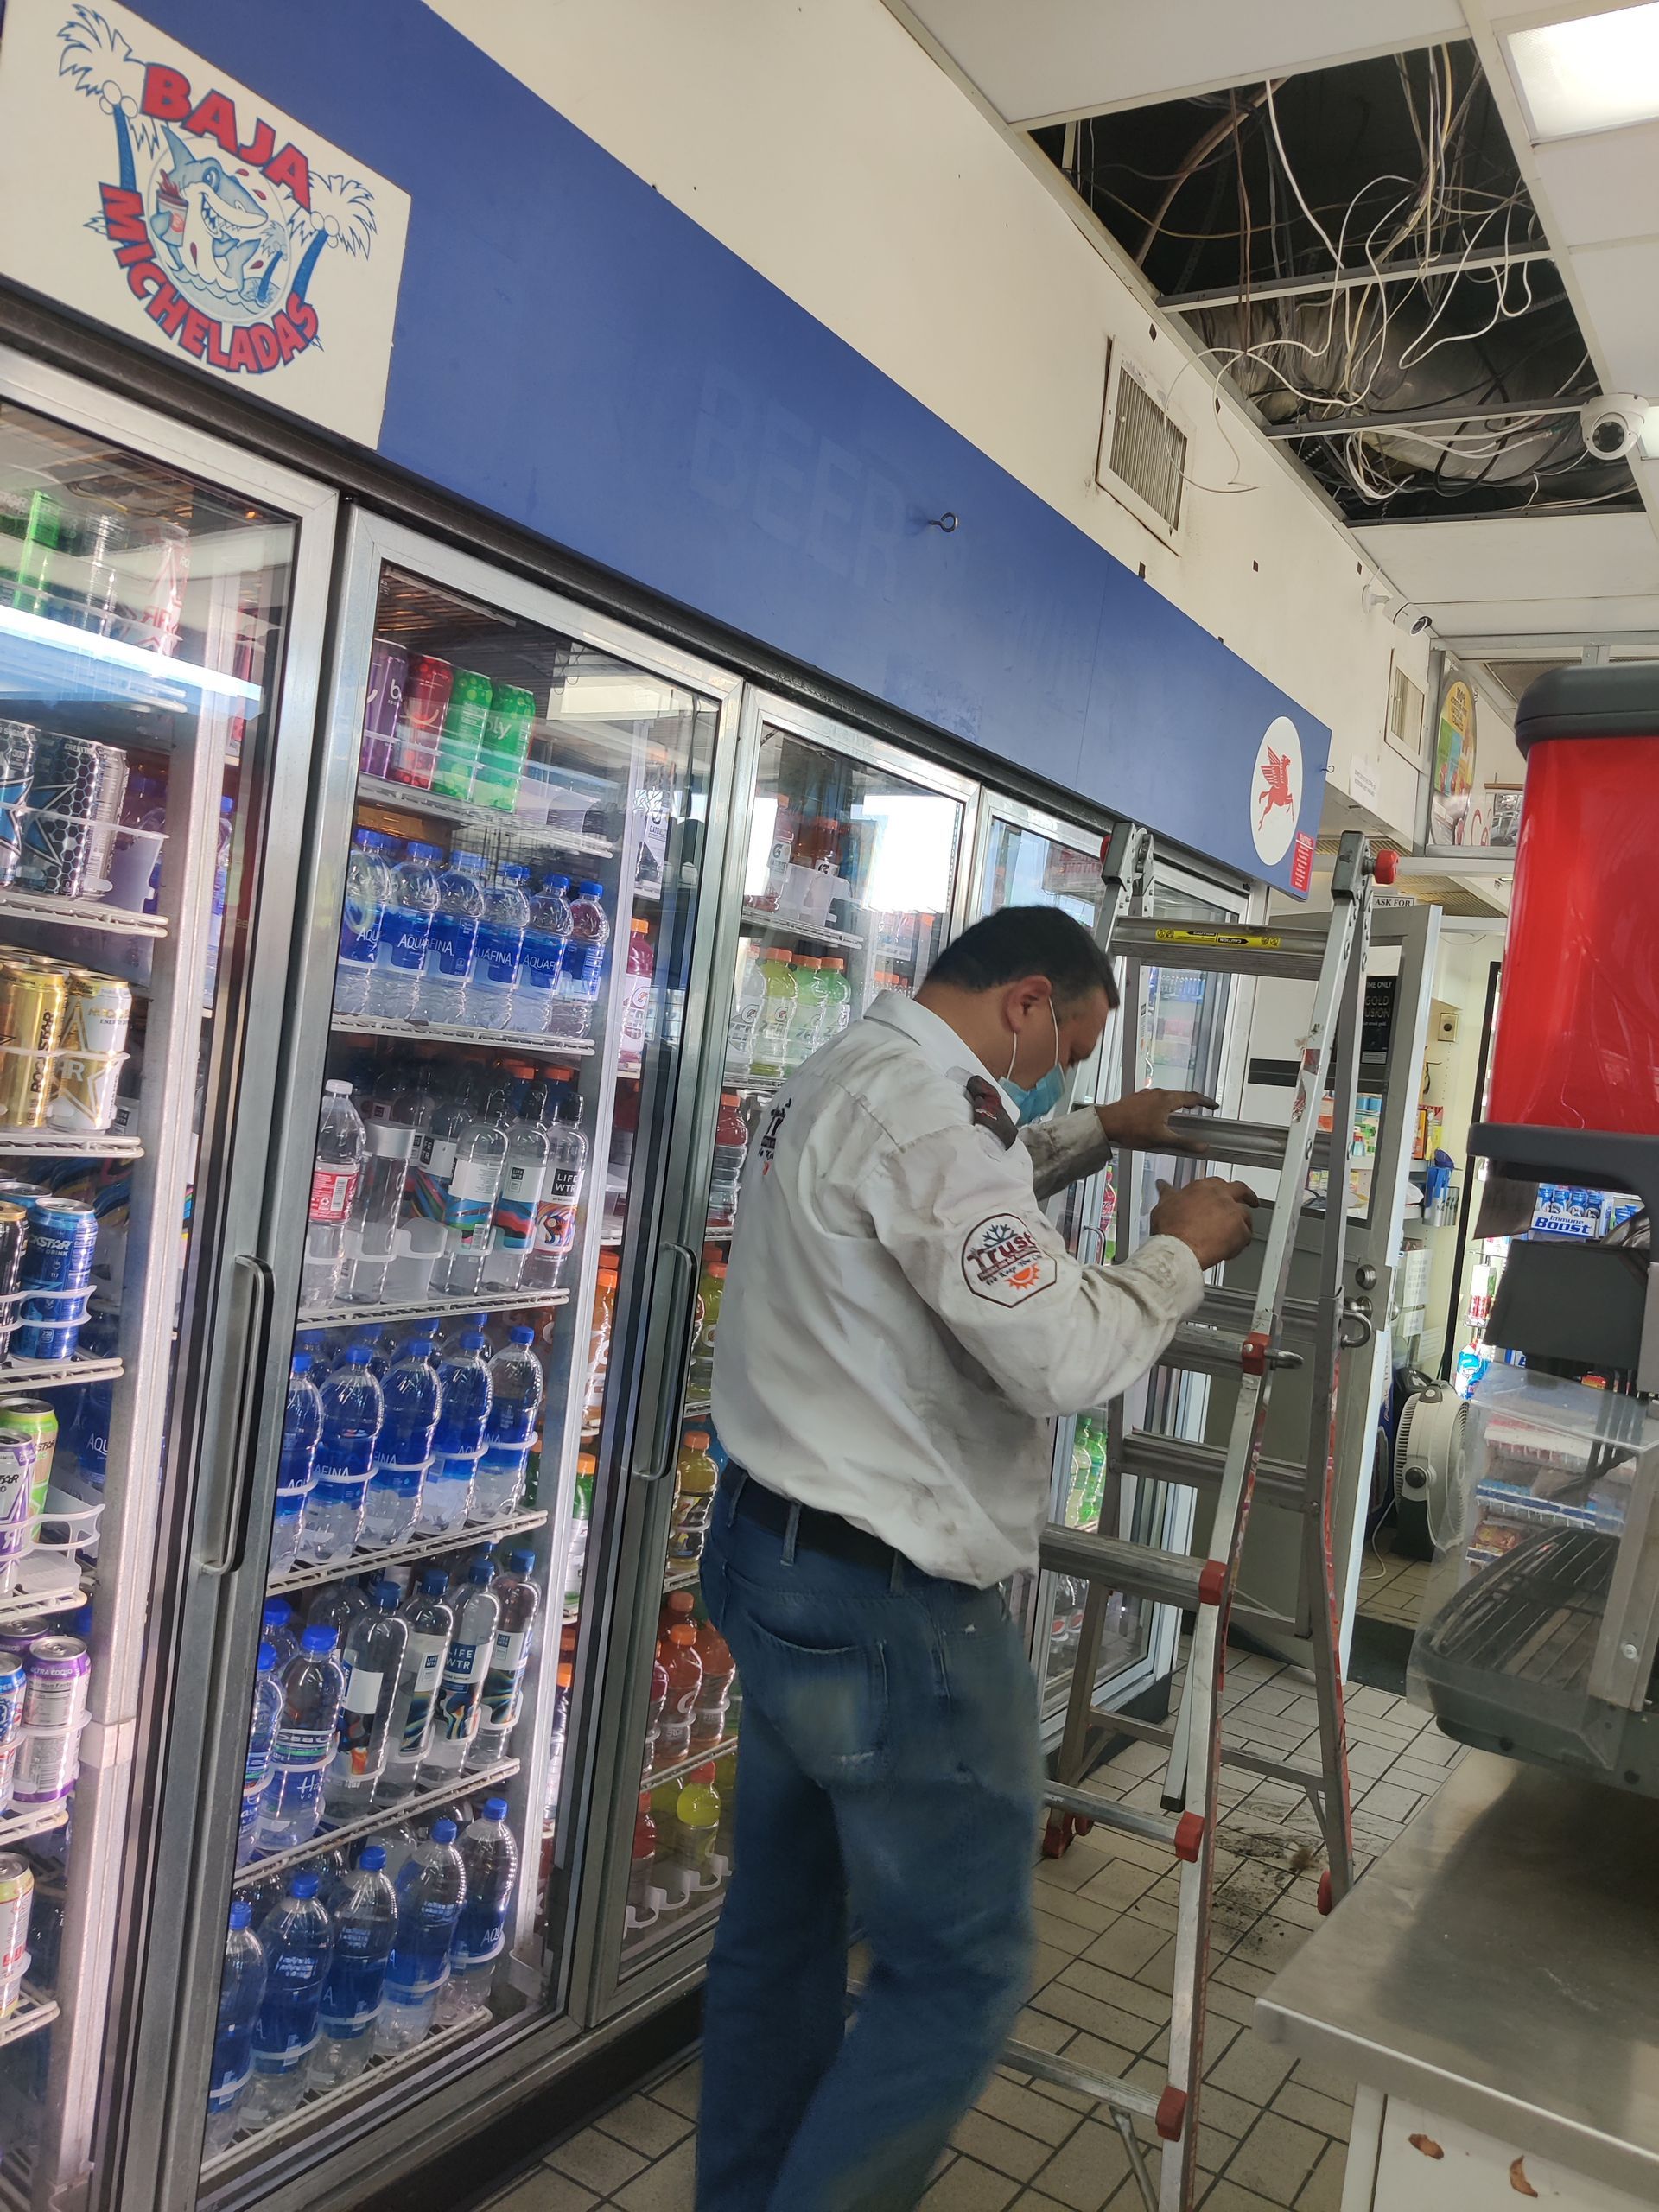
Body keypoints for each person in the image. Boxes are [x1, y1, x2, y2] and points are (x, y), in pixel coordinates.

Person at [697, 904, 1258, 2212]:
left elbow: (935, 1188)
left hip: (769, 1563)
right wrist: (1180, 1252)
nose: (1062, 1063)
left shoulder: (842, 1066)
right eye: (1073, 1038)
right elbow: (1059, 1353)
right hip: (891, 1609)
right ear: (1023, 1001)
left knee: (777, 1943)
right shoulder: (937, 1122)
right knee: (959, 1972)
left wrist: (1094, 1129)